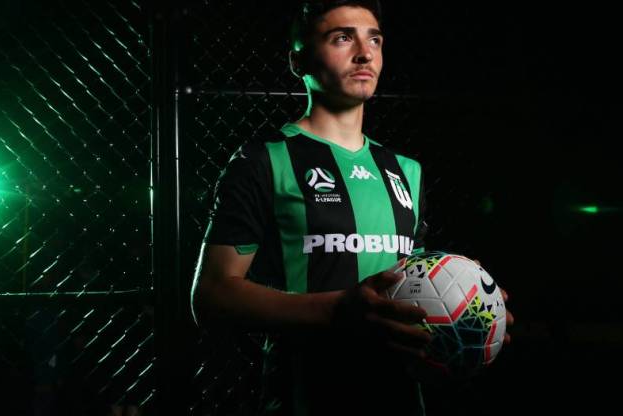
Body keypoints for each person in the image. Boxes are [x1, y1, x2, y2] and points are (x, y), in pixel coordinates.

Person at [190, 1, 514, 415]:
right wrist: (338, 310)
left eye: (374, 40)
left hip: (400, 401)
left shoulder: (405, 171)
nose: (364, 53)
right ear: (298, 60)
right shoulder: (262, 161)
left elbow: (412, 283)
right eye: (342, 38)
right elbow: (212, 296)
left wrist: (466, 307)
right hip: (304, 397)